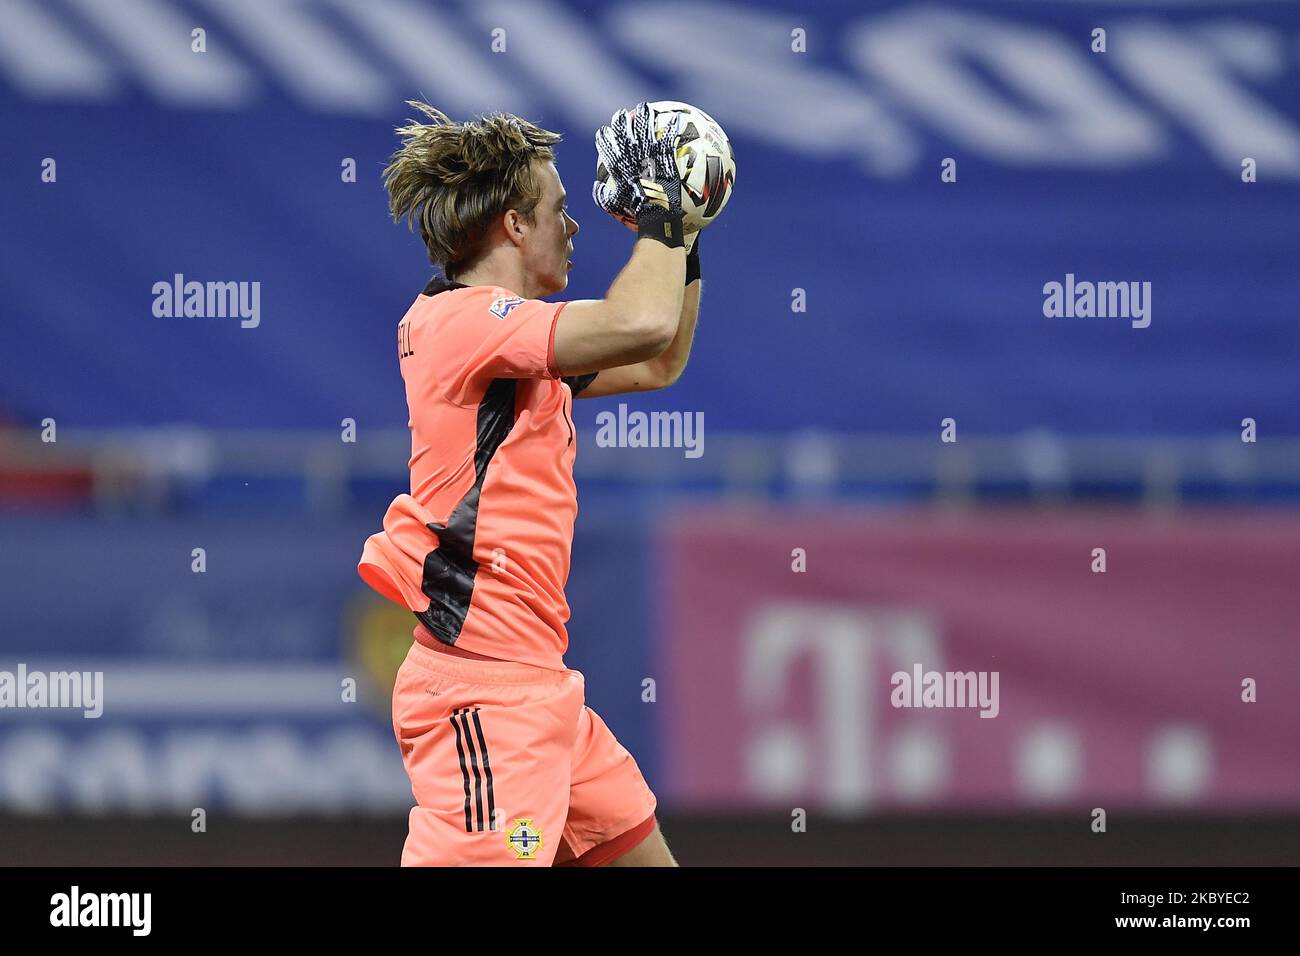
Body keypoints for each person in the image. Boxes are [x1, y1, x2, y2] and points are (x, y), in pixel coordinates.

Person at [357, 100, 702, 866]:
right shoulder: (469, 324)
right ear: (514, 225)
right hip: (481, 694)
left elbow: (657, 359)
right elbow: (638, 323)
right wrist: (663, 218)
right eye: (560, 210)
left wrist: (687, 235)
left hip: (540, 690)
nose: (575, 227)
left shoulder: (505, 338)